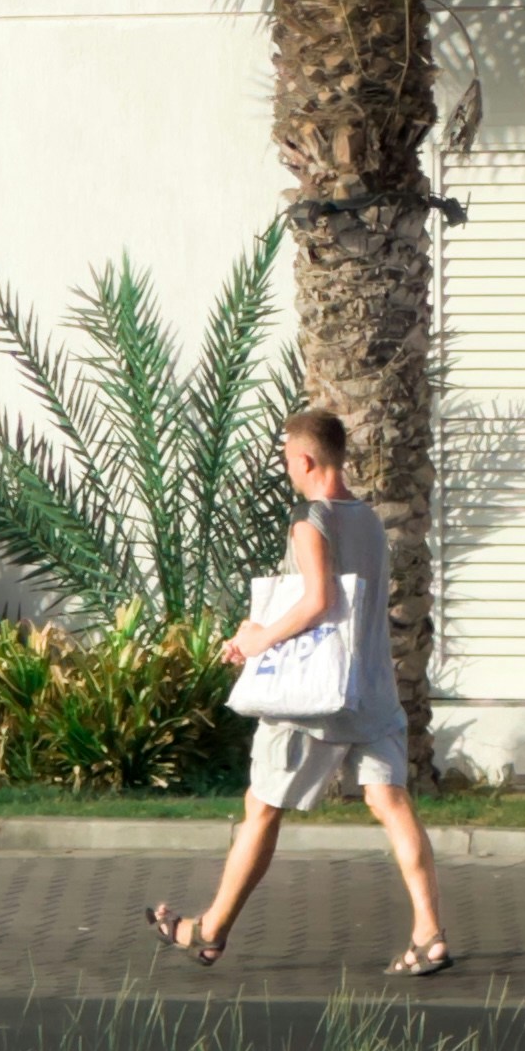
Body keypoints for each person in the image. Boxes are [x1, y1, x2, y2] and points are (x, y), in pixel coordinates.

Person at [146, 403, 451, 976]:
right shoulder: (366, 520)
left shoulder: (309, 520)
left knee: (261, 808)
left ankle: (210, 931)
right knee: (390, 802)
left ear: (306, 459)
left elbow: (317, 601)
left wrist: (257, 639)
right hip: (372, 691)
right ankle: (429, 934)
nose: (286, 467)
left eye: (288, 458)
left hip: (314, 698)